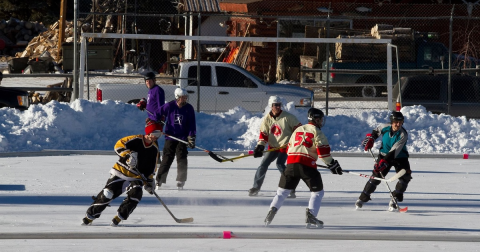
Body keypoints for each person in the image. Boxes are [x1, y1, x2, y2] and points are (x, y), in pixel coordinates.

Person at [264, 108, 343, 229]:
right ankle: (311, 216)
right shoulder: (317, 132)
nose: (321, 121)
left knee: (281, 192)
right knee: (317, 192)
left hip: (290, 165)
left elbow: (289, 149)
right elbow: (323, 154)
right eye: (320, 119)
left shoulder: (298, 130)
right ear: (315, 119)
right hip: (306, 166)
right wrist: (333, 165)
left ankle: (271, 212)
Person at [81, 121, 162, 226]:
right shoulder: (135, 139)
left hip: (136, 177)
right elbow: (118, 145)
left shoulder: (154, 149)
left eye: (159, 135)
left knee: (136, 194)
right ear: (148, 132)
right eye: (155, 134)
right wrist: (128, 155)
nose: (156, 137)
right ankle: (90, 216)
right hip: (121, 172)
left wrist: (149, 181)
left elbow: (152, 167)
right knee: (108, 194)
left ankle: (119, 217)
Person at [356, 111, 412, 212]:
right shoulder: (384, 127)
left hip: (400, 157)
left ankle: (394, 199)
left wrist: (384, 162)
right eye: (396, 122)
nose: (398, 124)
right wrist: (371, 139)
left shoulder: (403, 134)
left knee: (405, 177)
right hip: (383, 155)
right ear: (391, 122)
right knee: (376, 177)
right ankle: (362, 199)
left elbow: (395, 150)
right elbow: (375, 132)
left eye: (400, 122)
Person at [248, 95, 301, 198]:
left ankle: (290, 188)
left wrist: (295, 141)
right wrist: (260, 146)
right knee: (263, 165)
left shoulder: (288, 117)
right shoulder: (267, 119)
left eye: (279, 105)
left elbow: (299, 130)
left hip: (285, 146)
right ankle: (256, 187)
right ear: (271, 106)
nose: (278, 107)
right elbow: (263, 134)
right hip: (273, 147)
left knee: (280, 164)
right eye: (275, 105)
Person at [155, 88, 196, 190]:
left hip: (182, 137)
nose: (184, 99)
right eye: (183, 97)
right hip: (170, 136)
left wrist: (191, 137)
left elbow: (192, 124)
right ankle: (159, 180)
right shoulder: (170, 106)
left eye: (186, 97)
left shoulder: (189, 108)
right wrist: (158, 121)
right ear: (177, 97)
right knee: (167, 158)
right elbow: (157, 114)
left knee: (182, 158)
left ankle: (180, 180)